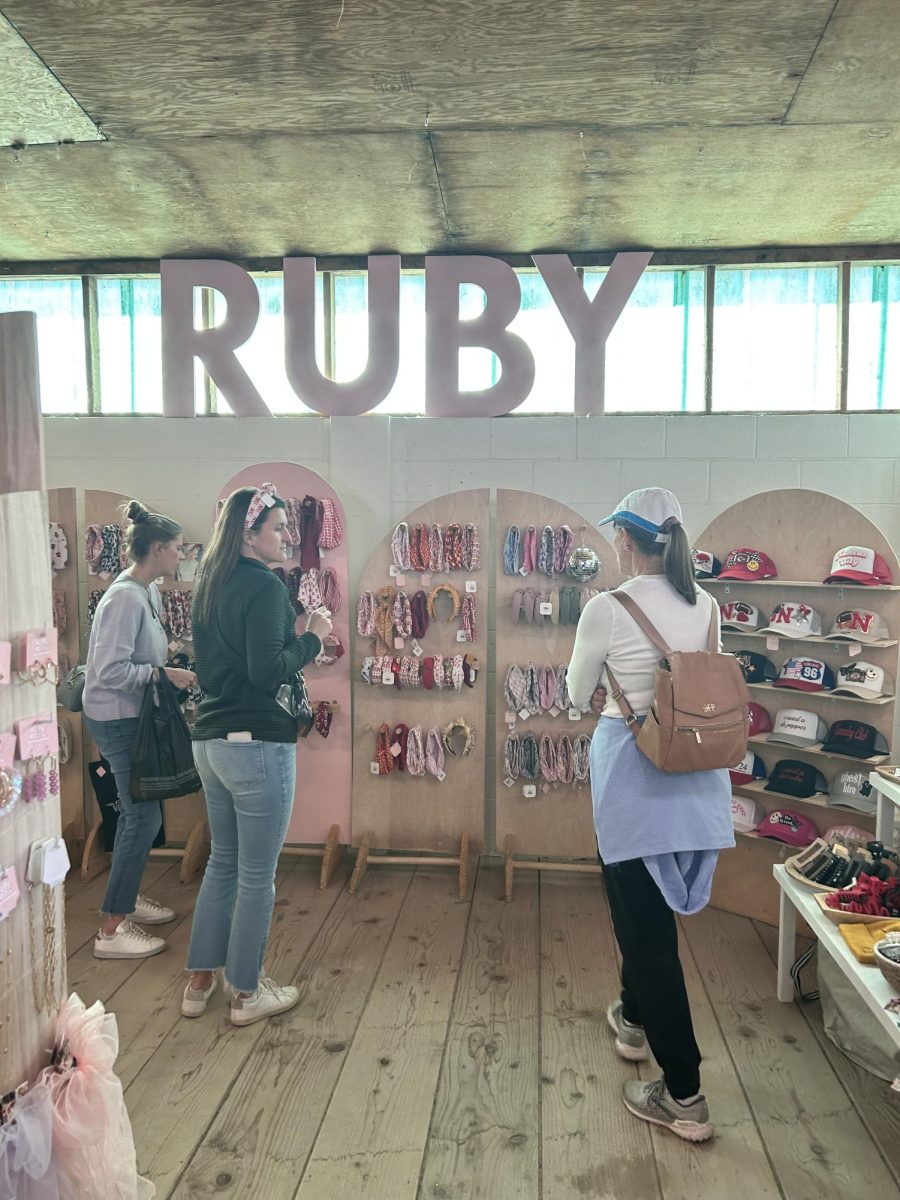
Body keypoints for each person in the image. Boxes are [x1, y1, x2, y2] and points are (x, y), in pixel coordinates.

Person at [567, 488, 733, 1143]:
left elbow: (577, 692)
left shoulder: (607, 608)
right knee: (647, 918)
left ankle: (685, 1094)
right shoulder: (708, 604)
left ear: (626, 541)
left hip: (634, 773)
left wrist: (613, 681)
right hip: (697, 777)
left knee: (645, 932)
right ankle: (633, 1017)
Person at [182, 484, 332, 1026]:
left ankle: (199, 982)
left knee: (223, 862)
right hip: (257, 745)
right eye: (278, 528)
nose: (289, 537)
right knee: (255, 873)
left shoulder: (210, 584)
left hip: (211, 743)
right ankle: (245, 993)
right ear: (249, 533)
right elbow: (267, 671)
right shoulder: (266, 588)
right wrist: (312, 637)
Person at [84, 502, 197, 960]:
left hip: (132, 715)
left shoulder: (143, 592)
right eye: (176, 548)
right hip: (117, 717)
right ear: (156, 548)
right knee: (142, 816)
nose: (180, 555)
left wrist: (161, 668)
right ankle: (111, 927)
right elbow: (107, 671)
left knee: (145, 813)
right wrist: (159, 675)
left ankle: (124, 902)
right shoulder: (125, 597)